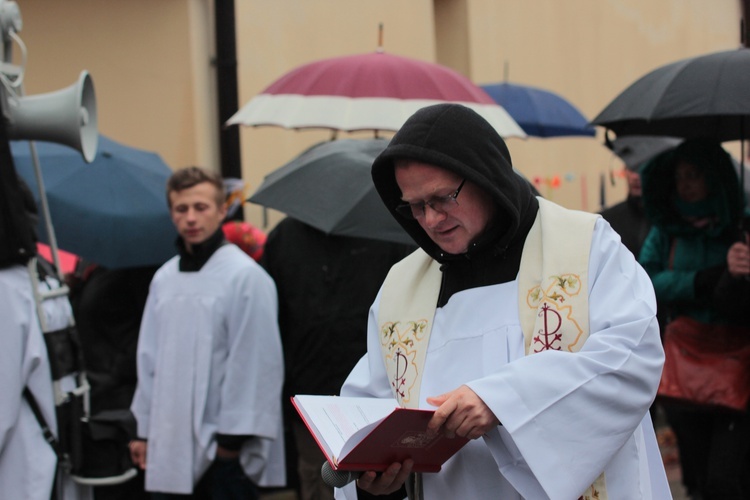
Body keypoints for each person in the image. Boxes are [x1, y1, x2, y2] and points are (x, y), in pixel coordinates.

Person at [334, 103, 669, 499]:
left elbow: (631, 359)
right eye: (415, 206)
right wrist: (379, 480)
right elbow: (371, 402)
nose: (431, 219)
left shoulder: (584, 246)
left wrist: (501, 402)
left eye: (443, 198)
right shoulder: (402, 287)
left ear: (485, 177)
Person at [129, 166, 285, 499]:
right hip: (168, 447)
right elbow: (149, 359)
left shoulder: (246, 278)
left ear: (221, 210)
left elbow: (255, 365)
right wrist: (143, 431)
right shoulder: (164, 279)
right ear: (171, 214)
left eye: (200, 207)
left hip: (224, 453)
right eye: (181, 209)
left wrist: (229, 445)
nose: (190, 218)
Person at [260, 217, 415, 500]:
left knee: (376, 481)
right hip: (308, 391)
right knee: (317, 479)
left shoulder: (388, 232)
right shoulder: (285, 237)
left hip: (375, 395)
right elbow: (271, 318)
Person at [638, 140, 750, 500]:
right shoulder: (667, 229)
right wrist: (698, 281)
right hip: (684, 360)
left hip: (737, 357)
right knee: (697, 475)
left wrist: (736, 274)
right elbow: (646, 280)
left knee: (727, 476)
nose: (684, 184)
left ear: (714, 178)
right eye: (679, 176)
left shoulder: (739, 224)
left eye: (694, 175)